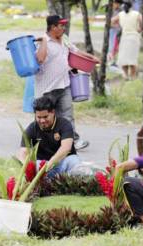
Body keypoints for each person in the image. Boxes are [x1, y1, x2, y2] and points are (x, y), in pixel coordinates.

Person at [35, 15, 99, 151]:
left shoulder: (64, 39)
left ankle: (73, 141)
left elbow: (76, 51)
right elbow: (40, 59)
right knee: (45, 117)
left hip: (64, 85)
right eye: (61, 26)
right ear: (53, 27)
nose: (64, 28)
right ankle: (42, 142)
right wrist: (45, 42)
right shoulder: (40, 41)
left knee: (67, 115)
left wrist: (91, 57)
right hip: (47, 88)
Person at [18, 96, 80, 178]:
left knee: (74, 162)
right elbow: (23, 152)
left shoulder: (64, 124)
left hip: (62, 162)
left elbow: (66, 148)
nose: (42, 121)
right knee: (32, 166)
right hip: (41, 165)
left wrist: (49, 165)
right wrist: (26, 167)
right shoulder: (32, 128)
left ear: (53, 112)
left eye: (45, 117)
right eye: (39, 117)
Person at [112, 0, 142, 80]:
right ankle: (132, 77)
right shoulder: (136, 14)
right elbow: (142, 22)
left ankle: (126, 75)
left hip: (124, 37)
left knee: (124, 58)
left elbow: (112, 21)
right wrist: (140, 28)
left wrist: (119, 26)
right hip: (134, 38)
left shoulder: (120, 14)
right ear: (131, 6)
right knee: (132, 59)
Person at [108, 0, 122, 66]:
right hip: (112, 31)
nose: (117, 5)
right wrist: (115, 25)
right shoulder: (110, 10)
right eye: (116, 3)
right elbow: (109, 23)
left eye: (118, 4)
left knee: (116, 47)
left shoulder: (120, 10)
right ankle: (111, 61)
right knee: (112, 46)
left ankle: (114, 61)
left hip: (119, 31)